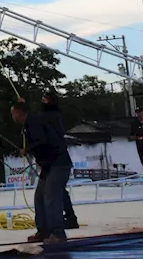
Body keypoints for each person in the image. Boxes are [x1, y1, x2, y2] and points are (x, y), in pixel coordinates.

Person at [11, 100, 71, 244]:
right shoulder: (31, 122)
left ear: (18, 114)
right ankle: (43, 231)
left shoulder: (34, 122)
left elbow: (42, 142)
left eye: (13, 114)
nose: (12, 117)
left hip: (58, 164)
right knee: (39, 198)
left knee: (51, 198)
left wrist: (27, 150)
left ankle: (58, 234)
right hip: (49, 166)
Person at [39, 93, 80, 230]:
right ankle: (69, 217)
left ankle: (60, 223)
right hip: (55, 158)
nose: (42, 101)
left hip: (54, 159)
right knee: (59, 191)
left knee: (53, 192)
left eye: (44, 99)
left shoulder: (50, 116)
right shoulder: (55, 116)